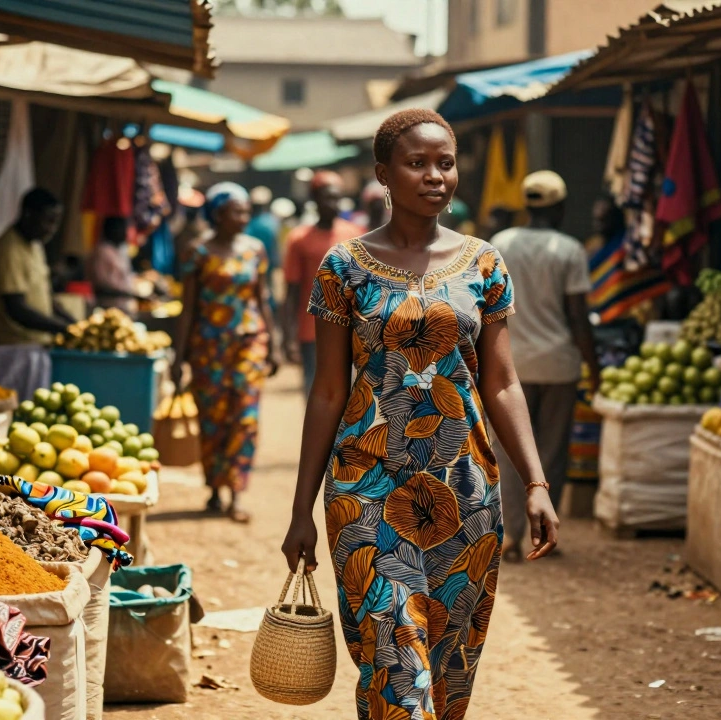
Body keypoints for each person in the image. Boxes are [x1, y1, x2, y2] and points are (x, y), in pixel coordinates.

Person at [281, 109, 561, 719]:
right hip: (366, 487)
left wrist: (535, 483)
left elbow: (503, 382)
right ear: (383, 173)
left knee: (450, 666)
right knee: (396, 662)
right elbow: (328, 391)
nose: (435, 176)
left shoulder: (485, 264)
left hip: (467, 490)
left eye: (445, 163)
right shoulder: (343, 267)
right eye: (416, 163)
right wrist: (301, 509)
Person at [489, 170, 599, 562]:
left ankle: (509, 536)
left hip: (508, 366)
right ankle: (543, 535)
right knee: (549, 454)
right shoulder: (569, 249)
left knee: (505, 452)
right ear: (561, 206)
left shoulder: (500, 244)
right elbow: (578, 317)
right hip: (557, 366)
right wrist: (594, 367)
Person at [172, 182, 277, 523]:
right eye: (237, 211)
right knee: (213, 417)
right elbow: (187, 307)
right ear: (217, 215)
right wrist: (178, 355)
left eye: (246, 211)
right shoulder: (198, 252)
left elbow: (262, 298)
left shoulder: (255, 250)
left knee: (245, 417)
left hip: (249, 342)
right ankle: (215, 490)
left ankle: (236, 493)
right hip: (207, 348)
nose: (245, 217)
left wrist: (272, 343)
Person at [282, 170, 364, 396]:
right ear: (315, 200)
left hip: (352, 328)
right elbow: (291, 290)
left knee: (349, 393)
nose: (333, 203)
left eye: (337, 197)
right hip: (312, 331)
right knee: (314, 391)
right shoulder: (299, 239)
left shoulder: (355, 236)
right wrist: (289, 337)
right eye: (328, 197)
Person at [0, 188, 75, 344]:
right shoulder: (8, 250)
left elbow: (48, 299)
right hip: (12, 345)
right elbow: (17, 309)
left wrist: (77, 325)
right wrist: (64, 328)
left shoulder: (35, 245)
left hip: (36, 343)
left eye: (56, 223)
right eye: (48, 221)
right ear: (28, 215)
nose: (52, 229)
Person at [90, 217, 141, 314]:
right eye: (122, 229)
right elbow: (101, 286)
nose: (125, 233)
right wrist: (128, 294)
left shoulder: (120, 250)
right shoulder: (102, 252)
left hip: (124, 307)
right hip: (107, 308)